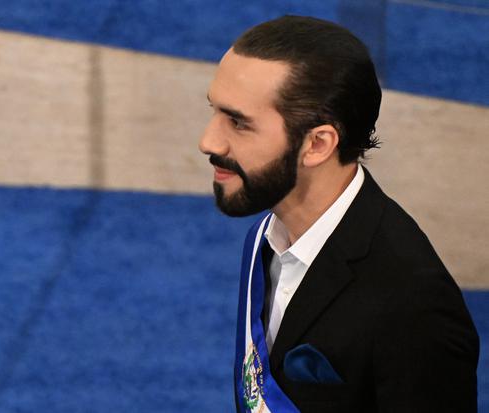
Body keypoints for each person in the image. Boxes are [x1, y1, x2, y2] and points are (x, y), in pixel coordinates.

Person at [198, 15, 479, 413]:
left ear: (317, 144)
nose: (207, 140)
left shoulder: (414, 307)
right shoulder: (266, 236)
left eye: (238, 123)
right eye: (214, 111)